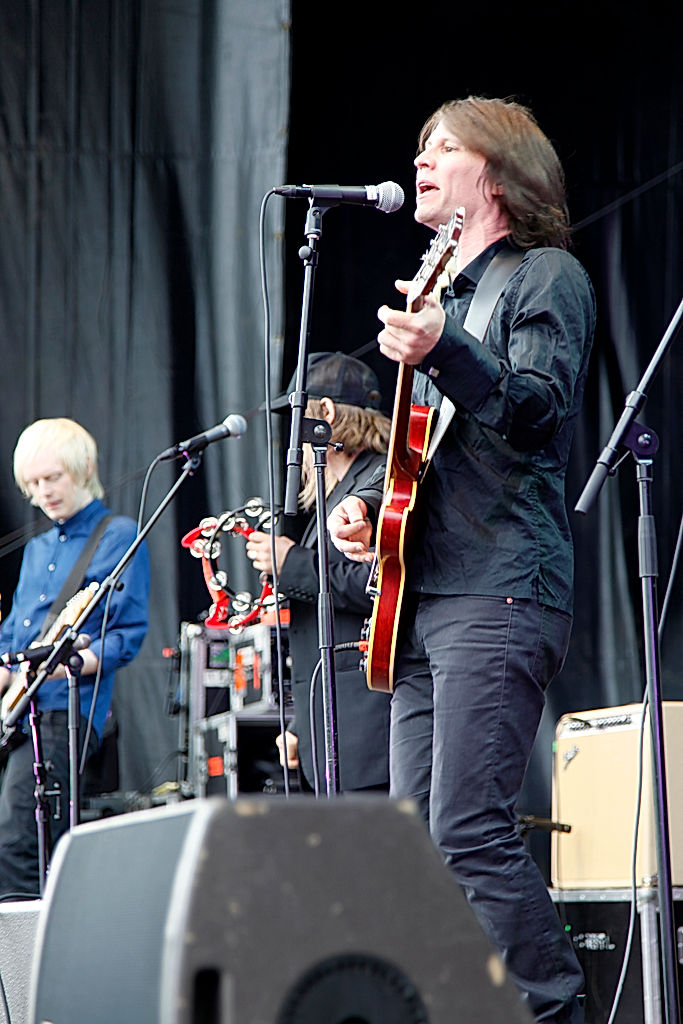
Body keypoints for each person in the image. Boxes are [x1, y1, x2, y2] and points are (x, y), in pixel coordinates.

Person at [327, 96, 596, 1023]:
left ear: (497, 168)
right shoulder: (435, 293)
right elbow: (416, 453)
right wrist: (363, 509)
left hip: (500, 585)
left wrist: (447, 350)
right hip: (418, 594)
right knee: (416, 838)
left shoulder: (542, 276)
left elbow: (536, 412)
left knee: (469, 828)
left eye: (442, 145)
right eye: (418, 147)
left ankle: (554, 1007)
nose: (421, 159)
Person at [0, 417, 150, 897]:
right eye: (33, 483)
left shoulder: (116, 535)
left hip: (69, 709)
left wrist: (73, 662)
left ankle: (29, 964)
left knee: (24, 839)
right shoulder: (38, 547)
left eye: (52, 478)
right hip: (20, 711)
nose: (43, 492)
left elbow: (126, 634)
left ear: (82, 469)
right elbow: (15, 634)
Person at [246, 351, 392, 793]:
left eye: (297, 417)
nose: (289, 434)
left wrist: (290, 562)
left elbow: (377, 582)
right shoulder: (330, 498)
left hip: (369, 733)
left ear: (325, 414)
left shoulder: (379, 481)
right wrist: (300, 725)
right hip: (329, 730)